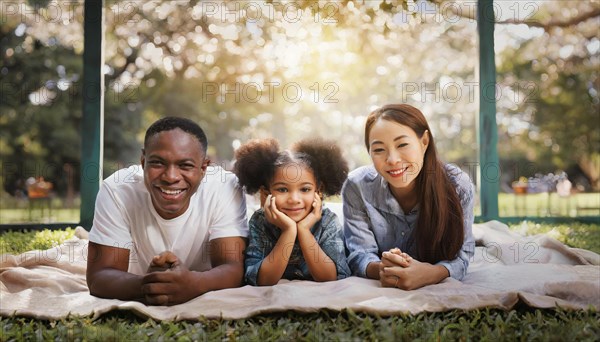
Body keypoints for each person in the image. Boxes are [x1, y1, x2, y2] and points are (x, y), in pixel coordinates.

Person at [86, 117, 248, 306]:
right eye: (157, 163)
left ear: (203, 167)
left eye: (185, 165)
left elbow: (233, 268)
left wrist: (193, 283)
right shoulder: (116, 189)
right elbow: (99, 277)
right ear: (143, 161)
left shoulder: (225, 186)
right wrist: (149, 284)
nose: (171, 177)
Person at [342, 104, 475, 290]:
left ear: (424, 142)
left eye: (402, 144)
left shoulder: (458, 185)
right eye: (379, 149)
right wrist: (385, 269)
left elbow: (462, 254)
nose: (392, 160)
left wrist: (430, 273)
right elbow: (360, 254)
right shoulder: (357, 186)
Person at [233, 138, 351, 286]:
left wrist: (303, 230)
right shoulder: (260, 222)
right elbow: (262, 280)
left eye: (305, 189)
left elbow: (330, 277)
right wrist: (288, 231)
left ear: (318, 191)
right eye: (282, 189)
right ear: (265, 192)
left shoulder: (327, 221)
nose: (294, 199)